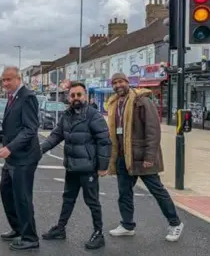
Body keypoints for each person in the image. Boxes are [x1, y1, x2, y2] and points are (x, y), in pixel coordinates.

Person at [106, 73, 184, 242]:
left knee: (157, 191)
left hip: (142, 157)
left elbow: (153, 130)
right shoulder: (114, 103)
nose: (118, 85)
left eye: (120, 81)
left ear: (128, 83)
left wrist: (149, 156)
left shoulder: (142, 101)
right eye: (115, 83)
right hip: (123, 157)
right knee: (124, 193)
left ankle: (175, 223)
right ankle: (127, 225)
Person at [40, 82, 111, 250]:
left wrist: (102, 166)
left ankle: (98, 233)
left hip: (88, 168)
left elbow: (104, 141)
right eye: (72, 95)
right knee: (68, 199)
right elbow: (55, 136)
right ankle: (60, 228)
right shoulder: (67, 116)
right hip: (72, 167)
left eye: (79, 95)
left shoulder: (94, 116)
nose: (75, 98)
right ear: (69, 97)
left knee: (92, 202)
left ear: (85, 96)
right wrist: (40, 150)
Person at [0, 66, 41, 251]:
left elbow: (30, 129)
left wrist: (10, 147)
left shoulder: (27, 97)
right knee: (6, 192)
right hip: (12, 158)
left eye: (9, 79)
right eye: (3, 80)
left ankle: (30, 237)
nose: (6, 83)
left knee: (22, 197)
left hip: (24, 157)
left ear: (18, 78)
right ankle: (18, 229)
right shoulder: (13, 97)